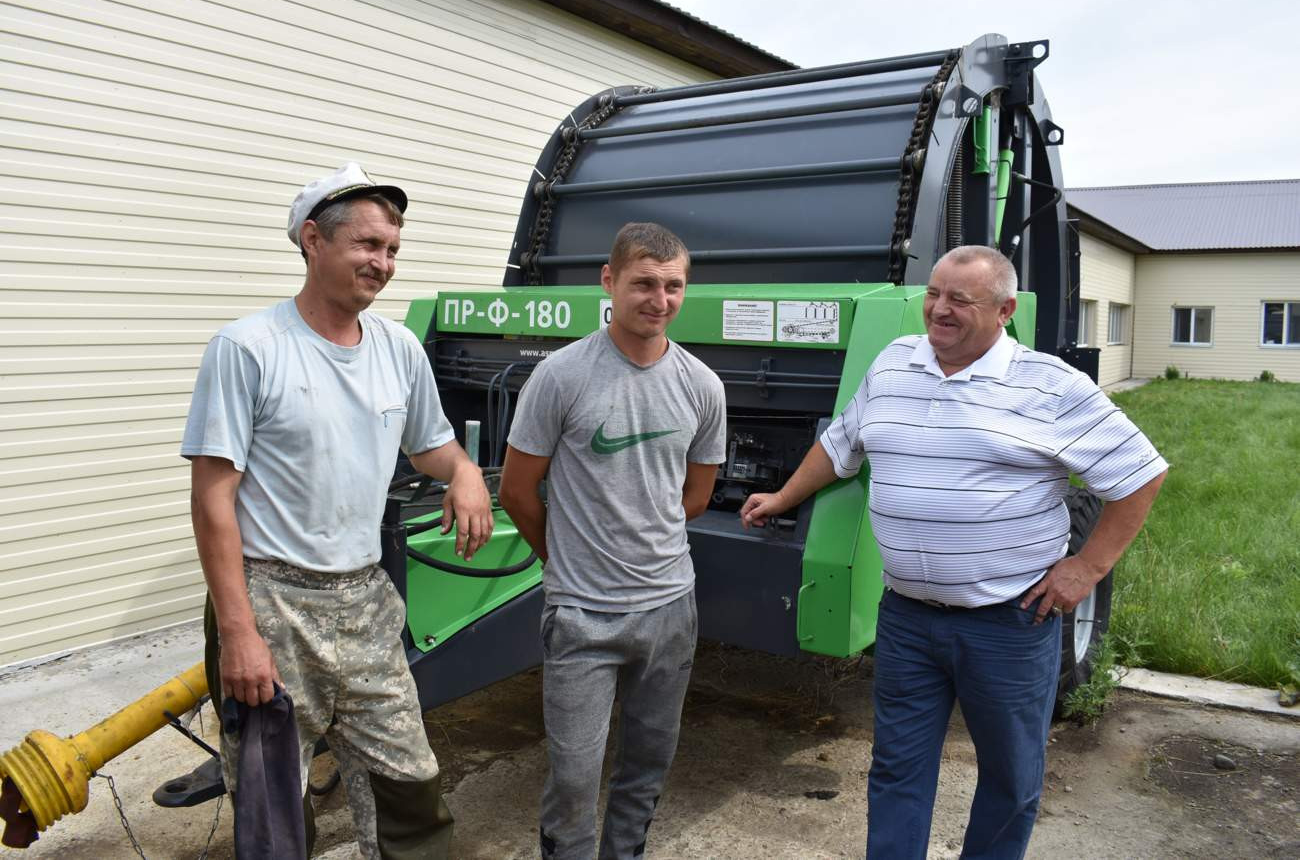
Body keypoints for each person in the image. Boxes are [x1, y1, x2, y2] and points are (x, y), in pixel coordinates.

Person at [740, 245, 1167, 859]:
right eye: (934, 294)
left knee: (1010, 778)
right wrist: (782, 497)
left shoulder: (1049, 386)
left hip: (1008, 624)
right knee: (896, 770)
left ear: (1004, 310)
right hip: (908, 619)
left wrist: (1088, 566)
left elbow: (1140, 474)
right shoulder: (892, 363)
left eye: (959, 300)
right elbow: (841, 445)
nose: (938, 310)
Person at [183, 161, 493, 859]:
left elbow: (432, 446)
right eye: (368, 244)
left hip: (364, 601)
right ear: (313, 239)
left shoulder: (399, 349)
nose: (382, 262)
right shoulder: (248, 348)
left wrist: (466, 473)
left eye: (391, 249)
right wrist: (238, 632)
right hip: (271, 600)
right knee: (273, 813)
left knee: (410, 788)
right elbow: (212, 500)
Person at [499, 222, 726, 860]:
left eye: (673, 286)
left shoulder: (703, 386)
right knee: (573, 779)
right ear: (609, 281)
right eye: (644, 283)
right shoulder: (562, 377)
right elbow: (518, 491)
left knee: (647, 769)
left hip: (669, 611)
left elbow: (696, 496)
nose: (659, 299)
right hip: (582, 617)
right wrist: (566, 562)